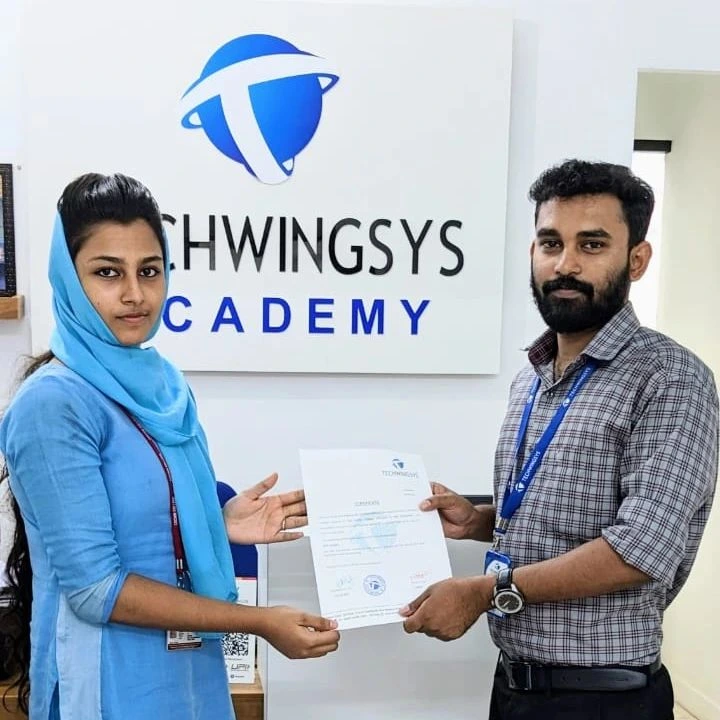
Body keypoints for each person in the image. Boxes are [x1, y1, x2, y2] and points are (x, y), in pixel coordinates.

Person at [0, 173, 340, 719]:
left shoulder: (165, 387)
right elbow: (95, 590)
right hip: (109, 681)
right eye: (107, 272)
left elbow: (147, 531)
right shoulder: (54, 403)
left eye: (149, 270)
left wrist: (216, 523)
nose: (135, 294)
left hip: (189, 671)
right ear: (68, 278)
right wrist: (259, 621)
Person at [400, 159, 719, 720]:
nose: (565, 264)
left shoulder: (671, 377)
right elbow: (571, 513)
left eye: (592, 245)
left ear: (636, 259)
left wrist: (482, 592)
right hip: (515, 687)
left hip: (604, 699)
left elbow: (640, 549)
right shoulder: (532, 376)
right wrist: (479, 521)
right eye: (551, 243)